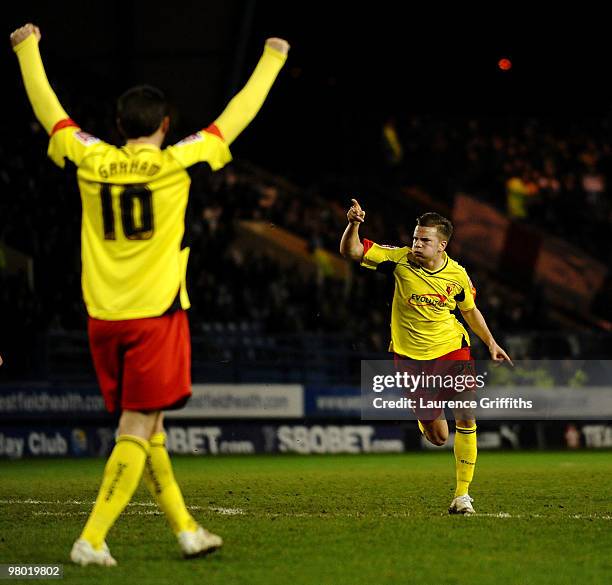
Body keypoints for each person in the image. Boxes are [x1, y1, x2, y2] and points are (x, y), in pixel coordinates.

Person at [11, 22, 289, 566]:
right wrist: (272, 60)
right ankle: (91, 540)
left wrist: (27, 49)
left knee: (151, 425)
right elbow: (233, 119)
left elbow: (50, 111)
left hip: (101, 316)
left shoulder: (91, 157)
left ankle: (186, 530)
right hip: (156, 316)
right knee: (137, 426)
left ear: (117, 125)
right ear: (165, 125)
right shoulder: (175, 161)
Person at [340, 199, 512, 515]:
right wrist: (354, 224)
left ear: (442, 245)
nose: (417, 244)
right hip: (409, 358)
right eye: (416, 238)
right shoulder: (399, 260)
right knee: (438, 437)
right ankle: (429, 422)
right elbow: (351, 252)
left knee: (466, 413)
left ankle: (462, 495)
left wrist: (490, 342)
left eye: (424, 240)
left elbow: (469, 311)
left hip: (451, 348)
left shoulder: (458, 276)